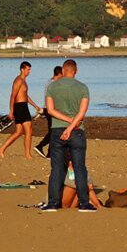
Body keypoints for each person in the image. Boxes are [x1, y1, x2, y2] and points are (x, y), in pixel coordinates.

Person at [42, 59, 95, 212]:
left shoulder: (52, 86)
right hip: (77, 131)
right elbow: (82, 112)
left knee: (57, 168)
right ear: (76, 71)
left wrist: (66, 124)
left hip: (58, 130)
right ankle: (84, 203)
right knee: (79, 167)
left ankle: (53, 203)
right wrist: (72, 124)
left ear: (63, 71)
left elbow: (50, 110)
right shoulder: (83, 88)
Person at [0, 61, 41, 158]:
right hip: (20, 107)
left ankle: (1, 149)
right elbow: (13, 96)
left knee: (19, 132)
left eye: (30, 70)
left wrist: (35, 105)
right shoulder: (19, 80)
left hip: (23, 106)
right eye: (28, 69)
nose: (29, 72)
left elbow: (25, 96)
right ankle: (28, 155)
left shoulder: (23, 81)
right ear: (22, 69)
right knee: (29, 130)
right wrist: (11, 111)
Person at [33, 66, 63, 159]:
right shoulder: (54, 84)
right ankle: (40, 146)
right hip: (50, 109)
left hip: (48, 109)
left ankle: (49, 153)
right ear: (59, 74)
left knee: (53, 131)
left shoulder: (49, 82)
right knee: (53, 131)